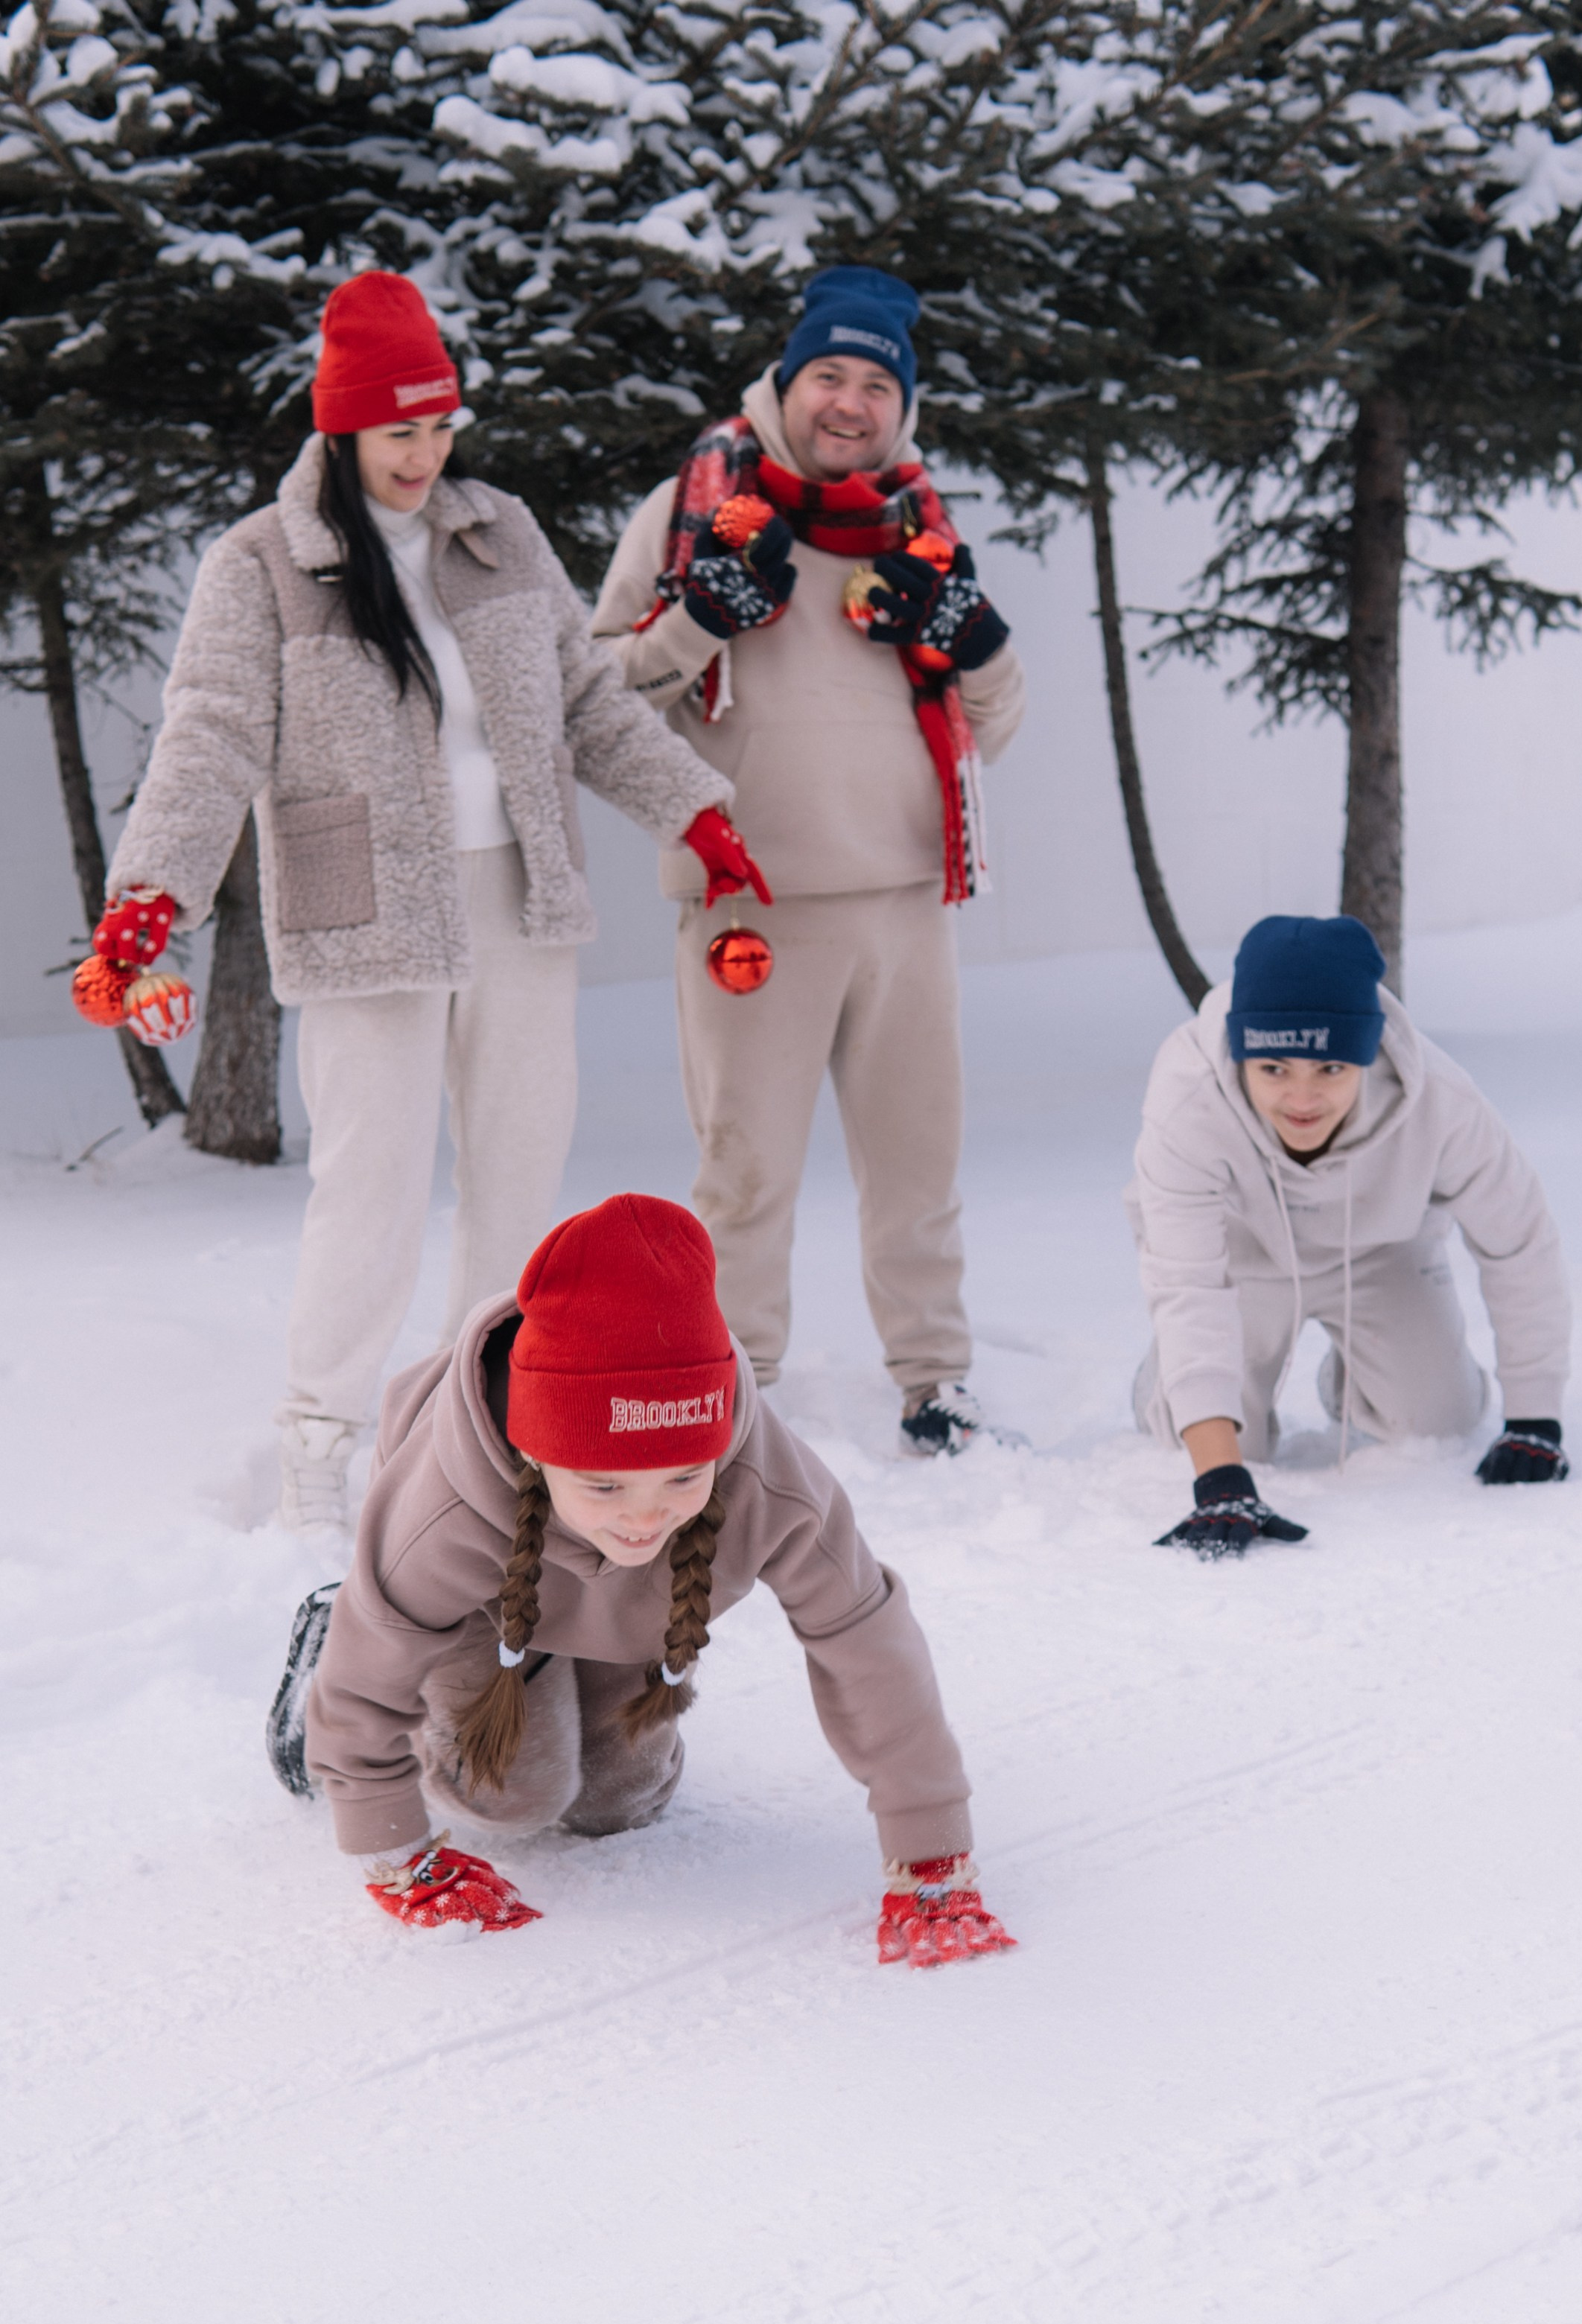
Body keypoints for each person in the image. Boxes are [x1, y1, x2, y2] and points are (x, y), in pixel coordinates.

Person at [81, 272, 764, 1536]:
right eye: (400, 429)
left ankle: (481, 1425)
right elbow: (210, 740)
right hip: (365, 914)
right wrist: (148, 901)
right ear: (338, 427)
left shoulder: (497, 530)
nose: (426, 452)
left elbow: (588, 706)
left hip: (518, 900)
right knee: (371, 1191)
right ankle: (317, 1447)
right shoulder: (261, 567)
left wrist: (696, 811)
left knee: (517, 1175)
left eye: (442, 423)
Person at [293, 1193, 1016, 1967]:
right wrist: (394, 1852)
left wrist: (931, 1853)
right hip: (482, 1605)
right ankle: (326, 1635)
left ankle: (577, 1664)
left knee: (620, 1801)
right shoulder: (439, 1515)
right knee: (514, 1798)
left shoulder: (768, 1483)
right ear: (537, 1454)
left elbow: (864, 1638)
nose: (643, 1518)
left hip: (631, 1606)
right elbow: (366, 1687)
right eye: (603, 1486)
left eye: (681, 1477)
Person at [591, 267, 1027, 1456]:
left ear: (905, 408)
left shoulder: (920, 534)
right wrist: (703, 616)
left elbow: (993, 719)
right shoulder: (695, 512)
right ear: (786, 384)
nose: (850, 402)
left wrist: (971, 634)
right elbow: (593, 698)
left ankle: (936, 1384)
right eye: (827, 374)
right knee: (743, 1176)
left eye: (876, 383)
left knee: (916, 1170)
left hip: (902, 901)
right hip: (750, 904)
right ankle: (735, 1392)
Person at [1128, 914, 1573, 1557]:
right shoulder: (1186, 1097)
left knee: (1439, 1420)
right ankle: (1163, 1382)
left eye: (1330, 1068)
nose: (1301, 1098)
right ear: (1242, 1052)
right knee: (1225, 1440)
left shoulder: (1438, 1099)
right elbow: (1188, 1280)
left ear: (1365, 1055)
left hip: (1380, 1248)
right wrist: (1220, 1477)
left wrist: (1535, 1416)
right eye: (1274, 1068)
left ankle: (1360, 1373)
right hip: (1241, 1255)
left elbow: (1520, 1238)